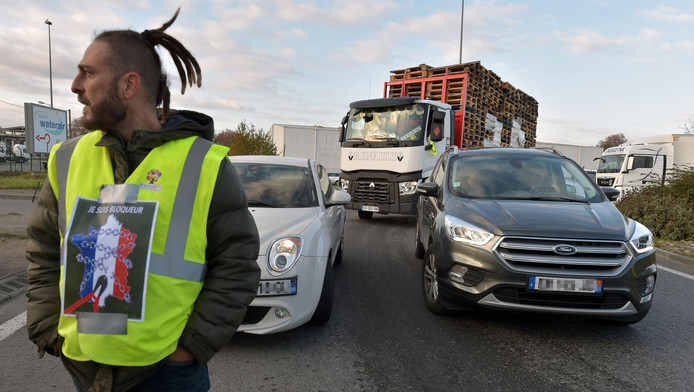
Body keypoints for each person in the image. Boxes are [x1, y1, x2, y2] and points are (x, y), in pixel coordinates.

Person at [25, 8, 261, 392]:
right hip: (85, 370)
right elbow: (44, 250)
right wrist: (48, 330)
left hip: (167, 374)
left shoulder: (204, 164)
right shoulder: (66, 159)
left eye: (88, 72)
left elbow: (238, 265)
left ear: (128, 85)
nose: (74, 84)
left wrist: (191, 347)